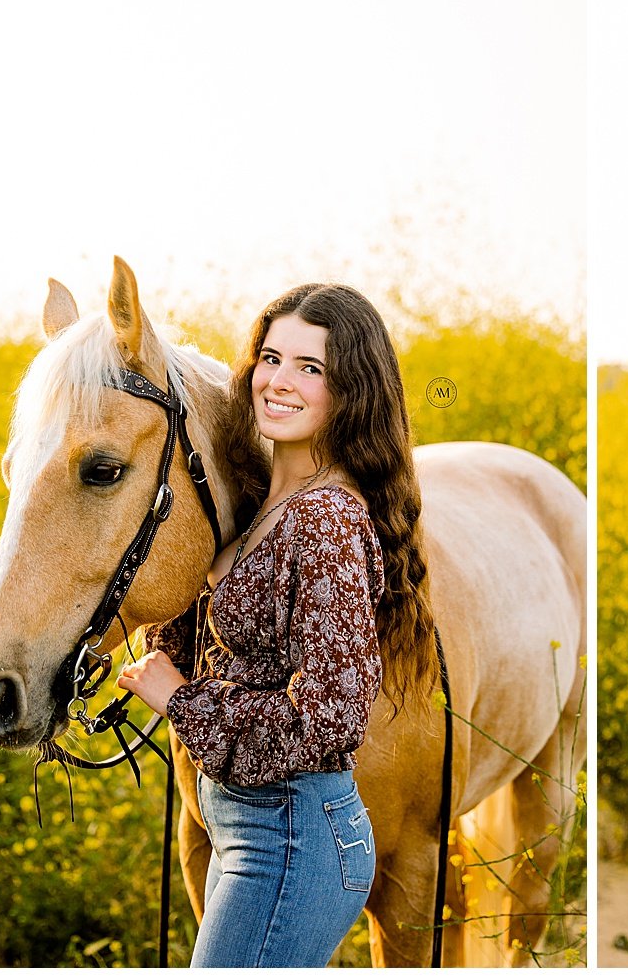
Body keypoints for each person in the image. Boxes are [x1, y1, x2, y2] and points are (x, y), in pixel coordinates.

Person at [117, 283, 436, 968]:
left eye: (309, 367)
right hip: (253, 830)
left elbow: (328, 720)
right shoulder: (266, 505)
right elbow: (231, 646)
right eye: (270, 357)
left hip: (293, 841)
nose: (279, 381)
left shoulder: (326, 521)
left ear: (352, 390)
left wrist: (181, 700)